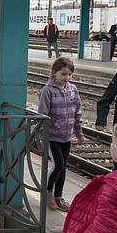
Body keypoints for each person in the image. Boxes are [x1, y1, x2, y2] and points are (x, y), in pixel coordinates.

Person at [38, 58, 85, 212]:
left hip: (67, 135)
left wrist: (78, 131)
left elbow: (77, 110)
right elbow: (42, 114)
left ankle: (58, 196)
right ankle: (48, 192)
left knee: (63, 167)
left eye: (70, 74)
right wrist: (41, 134)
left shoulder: (73, 89)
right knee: (58, 164)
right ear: (54, 73)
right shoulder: (47, 91)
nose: (67, 77)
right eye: (63, 74)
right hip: (52, 135)